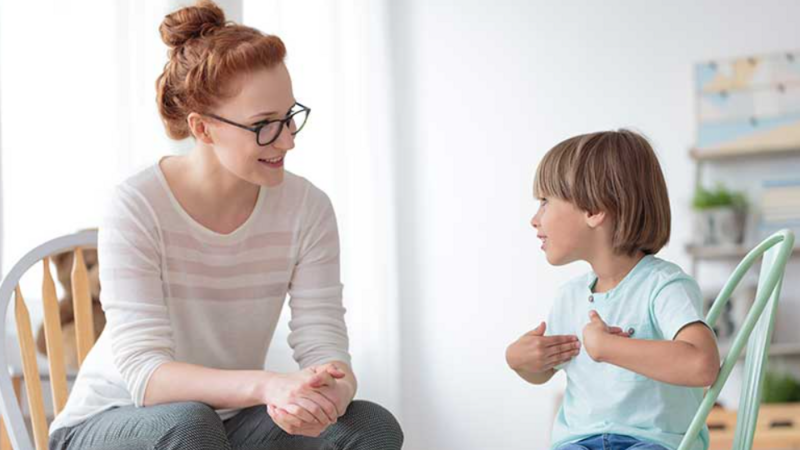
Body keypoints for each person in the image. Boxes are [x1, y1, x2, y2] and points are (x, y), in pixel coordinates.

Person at [49, 1, 403, 449]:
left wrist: (331, 390)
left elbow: (324, 342)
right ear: (202, 129)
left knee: (369, 426)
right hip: (111, 421)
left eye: (289, 117)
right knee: (191, 423)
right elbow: (146, 376)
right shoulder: (137, 204)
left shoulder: (307, 208)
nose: (288, 141)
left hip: (224, 424)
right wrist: (268, 385)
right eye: (264, 125)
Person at [506, 130, 720, 450]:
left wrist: (608, 347)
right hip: (579, 441)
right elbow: (544, 371)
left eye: (545, 202)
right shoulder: (569, 296)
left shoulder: (663, 285)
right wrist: (521, 360)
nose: (534, 219)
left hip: (654, 442)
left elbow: (702, 364)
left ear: (594, 210)